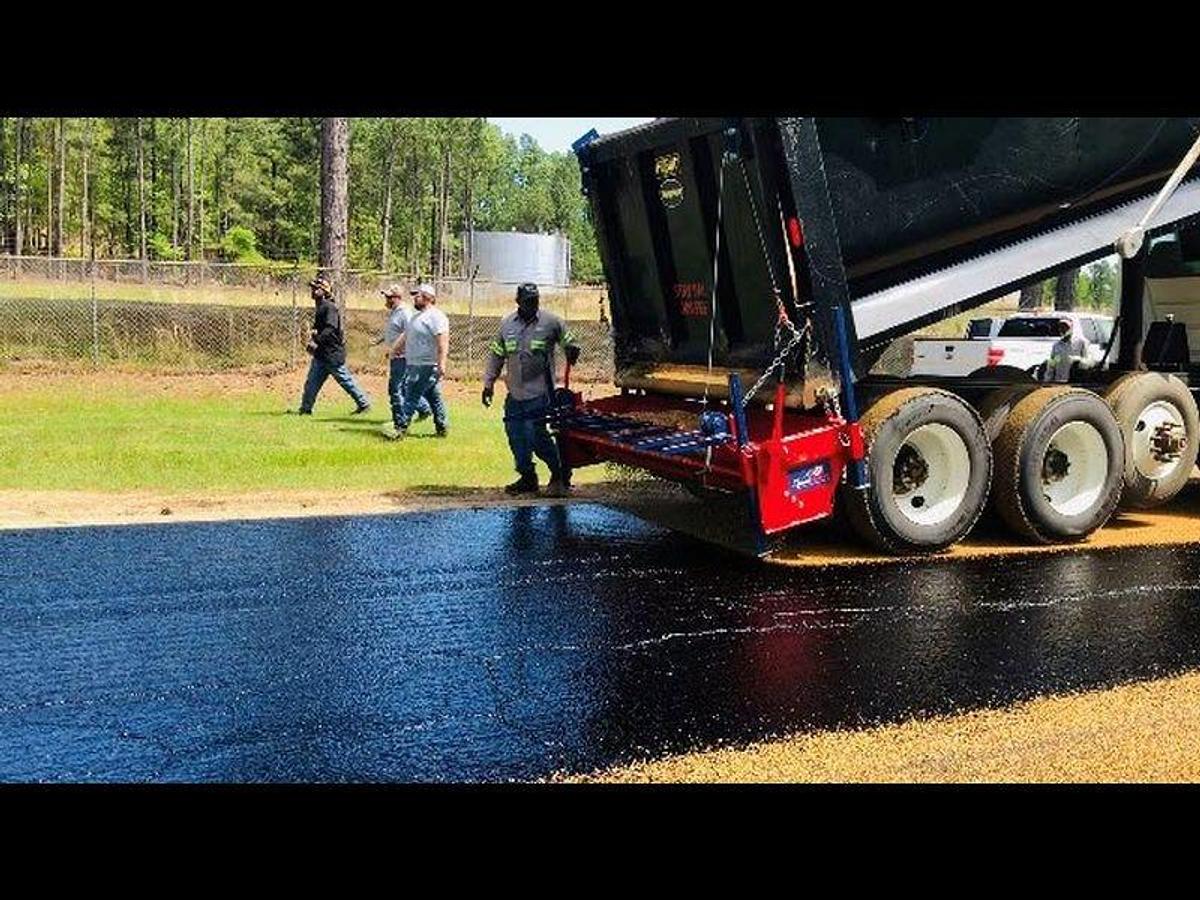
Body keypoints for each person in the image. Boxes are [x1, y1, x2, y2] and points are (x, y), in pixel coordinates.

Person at [481, 282, 581, 497]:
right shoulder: (506, 324)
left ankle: (559, 473)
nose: (532, 305)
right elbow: (497, 355)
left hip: (541, 393)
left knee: (537, 436)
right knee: (515, 436)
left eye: (535, 301)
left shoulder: (552, 322)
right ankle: (527, 477)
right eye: (528, 301)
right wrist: (488, 384)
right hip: (515, 393)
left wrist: (572, 350)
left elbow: (570, 341)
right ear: (518, 302)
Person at [297, 274, 371, 416]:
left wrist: (315, 340)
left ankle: (364, 404)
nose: (312, 291)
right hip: (321, 355)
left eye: (316, 289)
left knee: (345, 381)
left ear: (324, 291)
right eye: (312, 288)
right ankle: (305, 409)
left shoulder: (329, 307)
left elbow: (330, 328)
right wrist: (313, 337)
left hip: (332, 354)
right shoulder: (320, 307)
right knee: (311, 384)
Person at [390, 283, 449, 439]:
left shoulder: (436, 317)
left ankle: (401, 428)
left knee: (411, 394)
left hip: (427, 364)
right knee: (433, 396)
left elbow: (442, 341)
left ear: (428, 298)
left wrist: (442, 363)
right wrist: (394, 349)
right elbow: (406, 335)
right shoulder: (416, 317)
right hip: (414, 363)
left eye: (418, 295)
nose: (414, 298)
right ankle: (442, 427)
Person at [376, 283, 430, 439]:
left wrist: (399, 350)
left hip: (403, 357)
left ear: (397, 298)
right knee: (404, 389)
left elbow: (411, 332)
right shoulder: (395, 312)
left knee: (396, 389)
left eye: (388, 297)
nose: (385, 299)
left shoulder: (405, 312)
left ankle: (400, 423)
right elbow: (394, 331)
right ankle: (424, 409)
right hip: (396, 356)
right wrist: (381, 341)